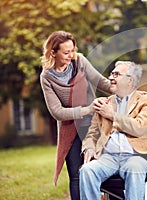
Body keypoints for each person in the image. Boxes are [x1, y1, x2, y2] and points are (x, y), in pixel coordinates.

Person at [40, 31, 111, 200]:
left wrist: (121, 87)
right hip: (70, 129)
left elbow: (101, 82)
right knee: (76, 175)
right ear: (53, 53)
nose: (71, 55)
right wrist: (86, 109)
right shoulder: (47, 77)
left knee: (106, 170)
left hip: (94, 123)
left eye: (72, 50)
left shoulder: (79, 61)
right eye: (66, 52)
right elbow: (57, 112)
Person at [79, 61, 147, 200]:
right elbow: (92, 134)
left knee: (134, 170)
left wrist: (112, 115)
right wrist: (89, 148)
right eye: (111, 73)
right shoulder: (105, 103)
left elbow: (139, 127)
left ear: (130, 80)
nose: (110, 77)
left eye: (116, 74)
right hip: (108, 157)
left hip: (137, 156)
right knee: (87, 170)